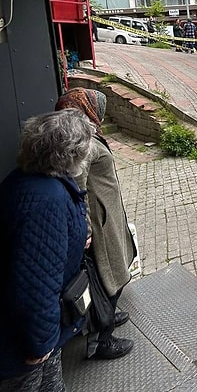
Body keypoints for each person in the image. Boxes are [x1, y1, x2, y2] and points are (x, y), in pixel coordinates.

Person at [0, 109, 94, 392]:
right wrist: (40, 342)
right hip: (25, 342)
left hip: (34, 331)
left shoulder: (28, 179)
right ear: (71, 154)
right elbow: (35, 284)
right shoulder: (47, 201)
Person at [56, 88, 136, 360]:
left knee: (111, 274)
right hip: (100, 225)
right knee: (108, 275)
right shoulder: (84, 141)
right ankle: (101, 340)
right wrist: (86, 230)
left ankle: (108, 315)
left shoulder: (84, 133)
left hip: (108, 217)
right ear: (85, 109)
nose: (100, 113)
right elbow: (77, 187)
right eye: (97, 107)